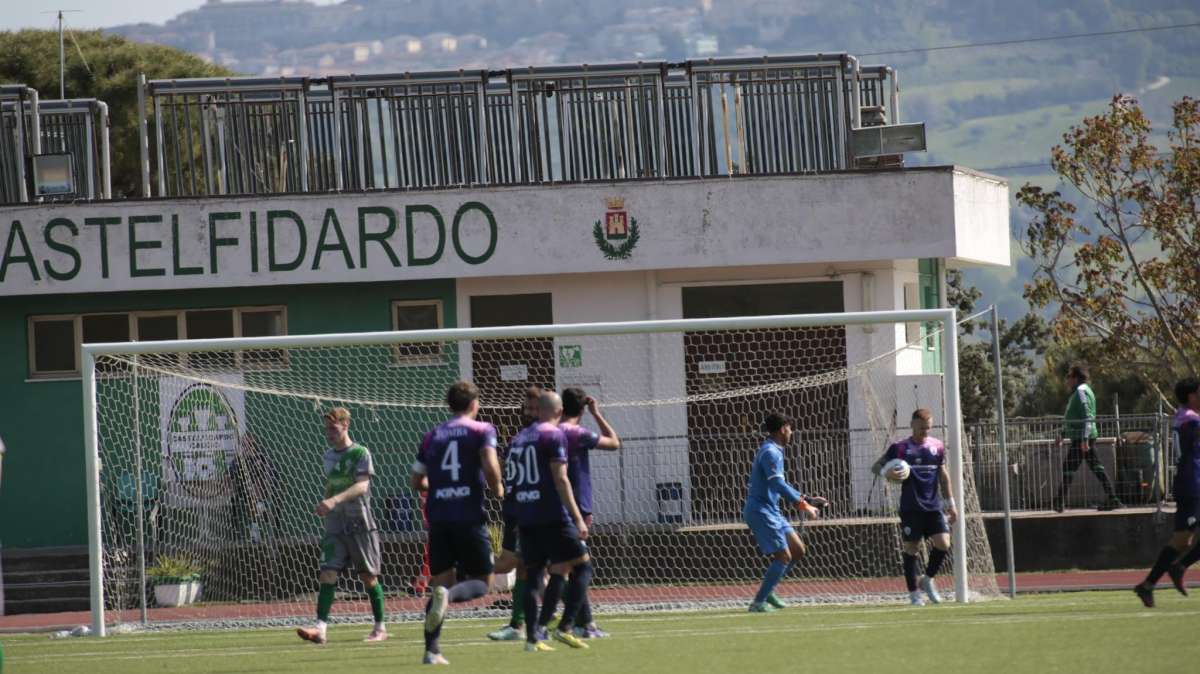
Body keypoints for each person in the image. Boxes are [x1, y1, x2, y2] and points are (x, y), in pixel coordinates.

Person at [410, 380, 505, 665]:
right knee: (482, 582)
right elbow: (489, 466)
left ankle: (431, 651)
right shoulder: (482, 430)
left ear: (449, 405)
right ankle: (448, 596)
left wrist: (439, 486)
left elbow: (416, 481)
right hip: (468, 516)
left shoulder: (431, 435)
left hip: (438, 518)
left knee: (440, 582)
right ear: (474, 404)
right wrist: (498, 488)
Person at [297, 407, 387, 645]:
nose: (329, 433)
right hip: (335, 524)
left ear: (345, 425)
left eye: (333, 428)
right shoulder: (327, 456)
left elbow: (362, 487)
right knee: (327, 573)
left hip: (359, 523)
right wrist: (324, 505)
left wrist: (334, 500)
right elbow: (331, 486)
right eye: (326, 428)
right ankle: (320, 629)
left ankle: (380, 627)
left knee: (369, 577)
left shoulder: (360, 453)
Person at [511, 391, 592, 652]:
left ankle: (533, 637)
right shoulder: (554, 434)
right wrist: (577, 518)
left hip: (526, 516)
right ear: (558, 412)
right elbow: (561, 479)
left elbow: (510, 478)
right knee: (582, 566)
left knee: (541, 573)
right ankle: (566, 626)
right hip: (552, 515)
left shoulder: (519, 438)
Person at [871, 409, 958, 606]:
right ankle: (914, 594)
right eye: (921, 428)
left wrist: (950, 503)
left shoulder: (937, 447)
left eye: (928, 428)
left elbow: (943, 476)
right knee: (912, 548)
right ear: (912, 424)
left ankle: (927, 579)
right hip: (911, 507)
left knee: (944, 543)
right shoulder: (900, 448)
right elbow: (876, 467)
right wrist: (888, 473)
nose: (924, 432)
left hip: (933, 506)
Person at [743, 412, 828, 613]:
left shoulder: (774, 450)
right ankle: (758, 603)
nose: (791, 433)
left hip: (772, 510)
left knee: (798, 550)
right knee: (783, 556)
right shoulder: (770, 452)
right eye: (790, 428)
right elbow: (777, 483)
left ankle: (769, 590)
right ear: (783, 429)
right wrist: (803, 506)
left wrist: (807, 499)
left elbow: (780, 484)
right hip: (761, 511)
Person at [556, 387, 621, 639]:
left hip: (551, 508)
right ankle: (579, 624)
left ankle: (581, 622)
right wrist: (597, 414)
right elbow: (614, 443)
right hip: (575, 510)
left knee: (568, 568)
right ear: (582, 409)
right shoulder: (577, 433)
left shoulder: (550, 432)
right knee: (578, 568)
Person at [1134, 378, 1200, 607]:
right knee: (1182, 539)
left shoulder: (1186, 416)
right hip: (1192, 483)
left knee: (1183, 538)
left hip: (1193, 481)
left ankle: (1154, 581)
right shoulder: (1190, 420)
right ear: (1192, 396)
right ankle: (1162, 576)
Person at [487, 385, 542, 641]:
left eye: (534, 408)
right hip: (514, 511)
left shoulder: (547, 438)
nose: (529, 412)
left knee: (551, 566)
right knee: (519, 566)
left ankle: (577, 617)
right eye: (527, 408)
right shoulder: (517, 440)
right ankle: (518, 624)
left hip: (531, 512)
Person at [1052, 363, 1121, 512]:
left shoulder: (1082, 391)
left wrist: (1084, 439)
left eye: (1068, 376)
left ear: (1076, 378)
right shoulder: (1078, 392)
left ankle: (1059, 502)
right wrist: (1063, 434)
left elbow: (1088, 415)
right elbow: (1073, 418)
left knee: (1069, 467)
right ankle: (1113, 498)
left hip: (1082, 438)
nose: (1067, 380)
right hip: (1081, 437)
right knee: (1096, 467)